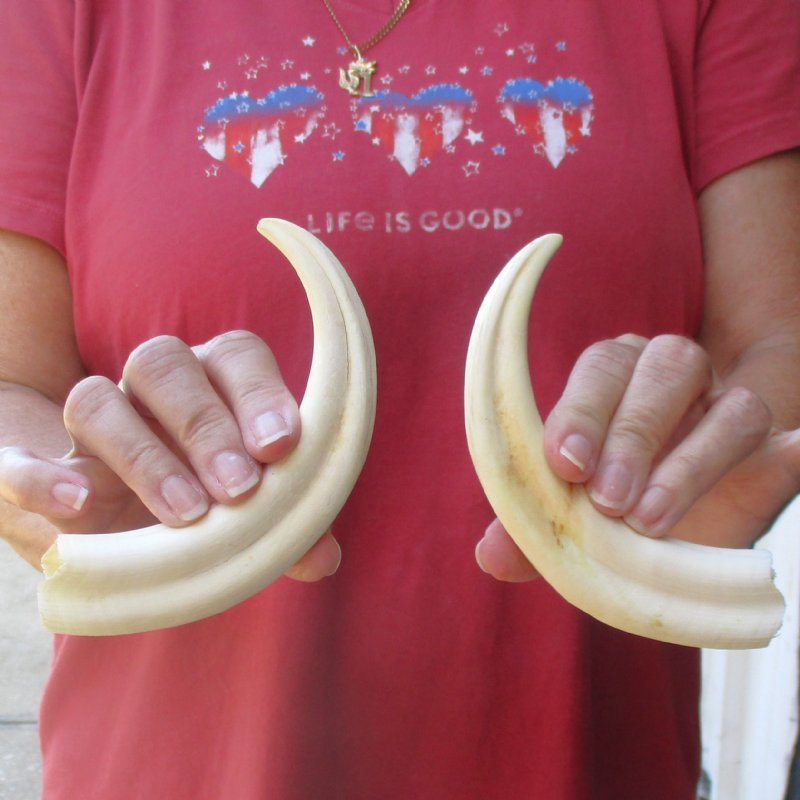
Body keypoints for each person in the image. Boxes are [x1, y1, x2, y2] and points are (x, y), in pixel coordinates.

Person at [0, 1, 799, 798]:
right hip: (171, 765)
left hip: (592, 760)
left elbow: (774, 341)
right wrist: (65, 488)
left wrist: (704, 446)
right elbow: (12, 381)